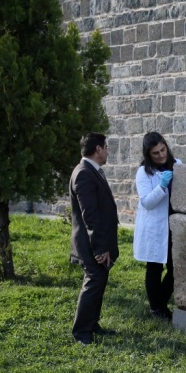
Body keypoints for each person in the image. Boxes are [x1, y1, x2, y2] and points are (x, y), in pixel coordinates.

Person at [69, 132, 119, 345]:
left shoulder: (92, 170)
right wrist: (99, 248)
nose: (107, 151)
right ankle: (81, 332)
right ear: (98, 149)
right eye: (106, 147)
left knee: (99, 282)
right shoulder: (83, 173)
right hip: (91, 244)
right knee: (93, 282)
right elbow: (90, 215)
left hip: (98, 241)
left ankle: (92, 323)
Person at [133, 132, 182, 320]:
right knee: (154, 267)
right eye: (156, 153)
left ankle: (161, 304)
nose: (161, 155)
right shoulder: (144, 172)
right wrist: (161, 186)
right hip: (154, 227)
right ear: (148, 155)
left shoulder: (177, 163)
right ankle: (156, 309)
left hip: (173, 225)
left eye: (163, 150)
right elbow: (146, 202)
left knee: (174, 267)